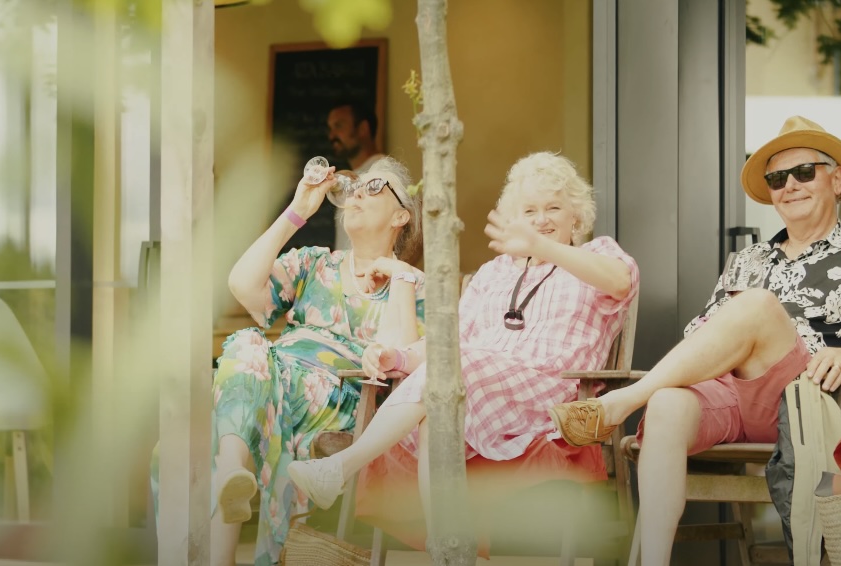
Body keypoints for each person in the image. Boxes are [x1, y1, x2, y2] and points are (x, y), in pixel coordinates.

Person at [549, 115, 841, 566]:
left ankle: (621, 404)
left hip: (810, 398)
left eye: (804, 172)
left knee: (756, 306)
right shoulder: (749, 259)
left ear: (836, 178)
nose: (790, 185)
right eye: (777, 178)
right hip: (733, 395)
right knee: (667, 403)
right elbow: (702, 340)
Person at [287, 152, 639, 536]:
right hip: (474, 391)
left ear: (577, 214)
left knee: (452, 375)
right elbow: (447, 345)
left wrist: (543, 247)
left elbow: (621, 282)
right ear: (513, 219)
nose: (541, 220)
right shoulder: (494, 273)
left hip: (552, 396)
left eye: (554, 207)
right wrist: (398, 356)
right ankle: (447, 548)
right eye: (530, 211)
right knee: (441, 402)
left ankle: (341, 467)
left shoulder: (596, 254)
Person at [151, 156, 424, 566]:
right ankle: (232, 474)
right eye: (355, 186)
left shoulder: (412, 284)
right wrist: (298, 210)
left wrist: (400, 275)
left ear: (401, 214)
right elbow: (242, 285)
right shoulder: (317, 262)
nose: (357, 194)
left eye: (374, 187)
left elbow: (402, 361)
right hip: (269, 383)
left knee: (226, 397)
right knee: (244, 348)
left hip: (338, 398)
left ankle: (229, 473)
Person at [327, 101, 387, 252]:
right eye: (330, 128)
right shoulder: (346, 178)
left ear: (363, 129)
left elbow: (416, 234)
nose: (331, 135)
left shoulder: (385, 171)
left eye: (339, 126)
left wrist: (391, 273)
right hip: (345, 274)